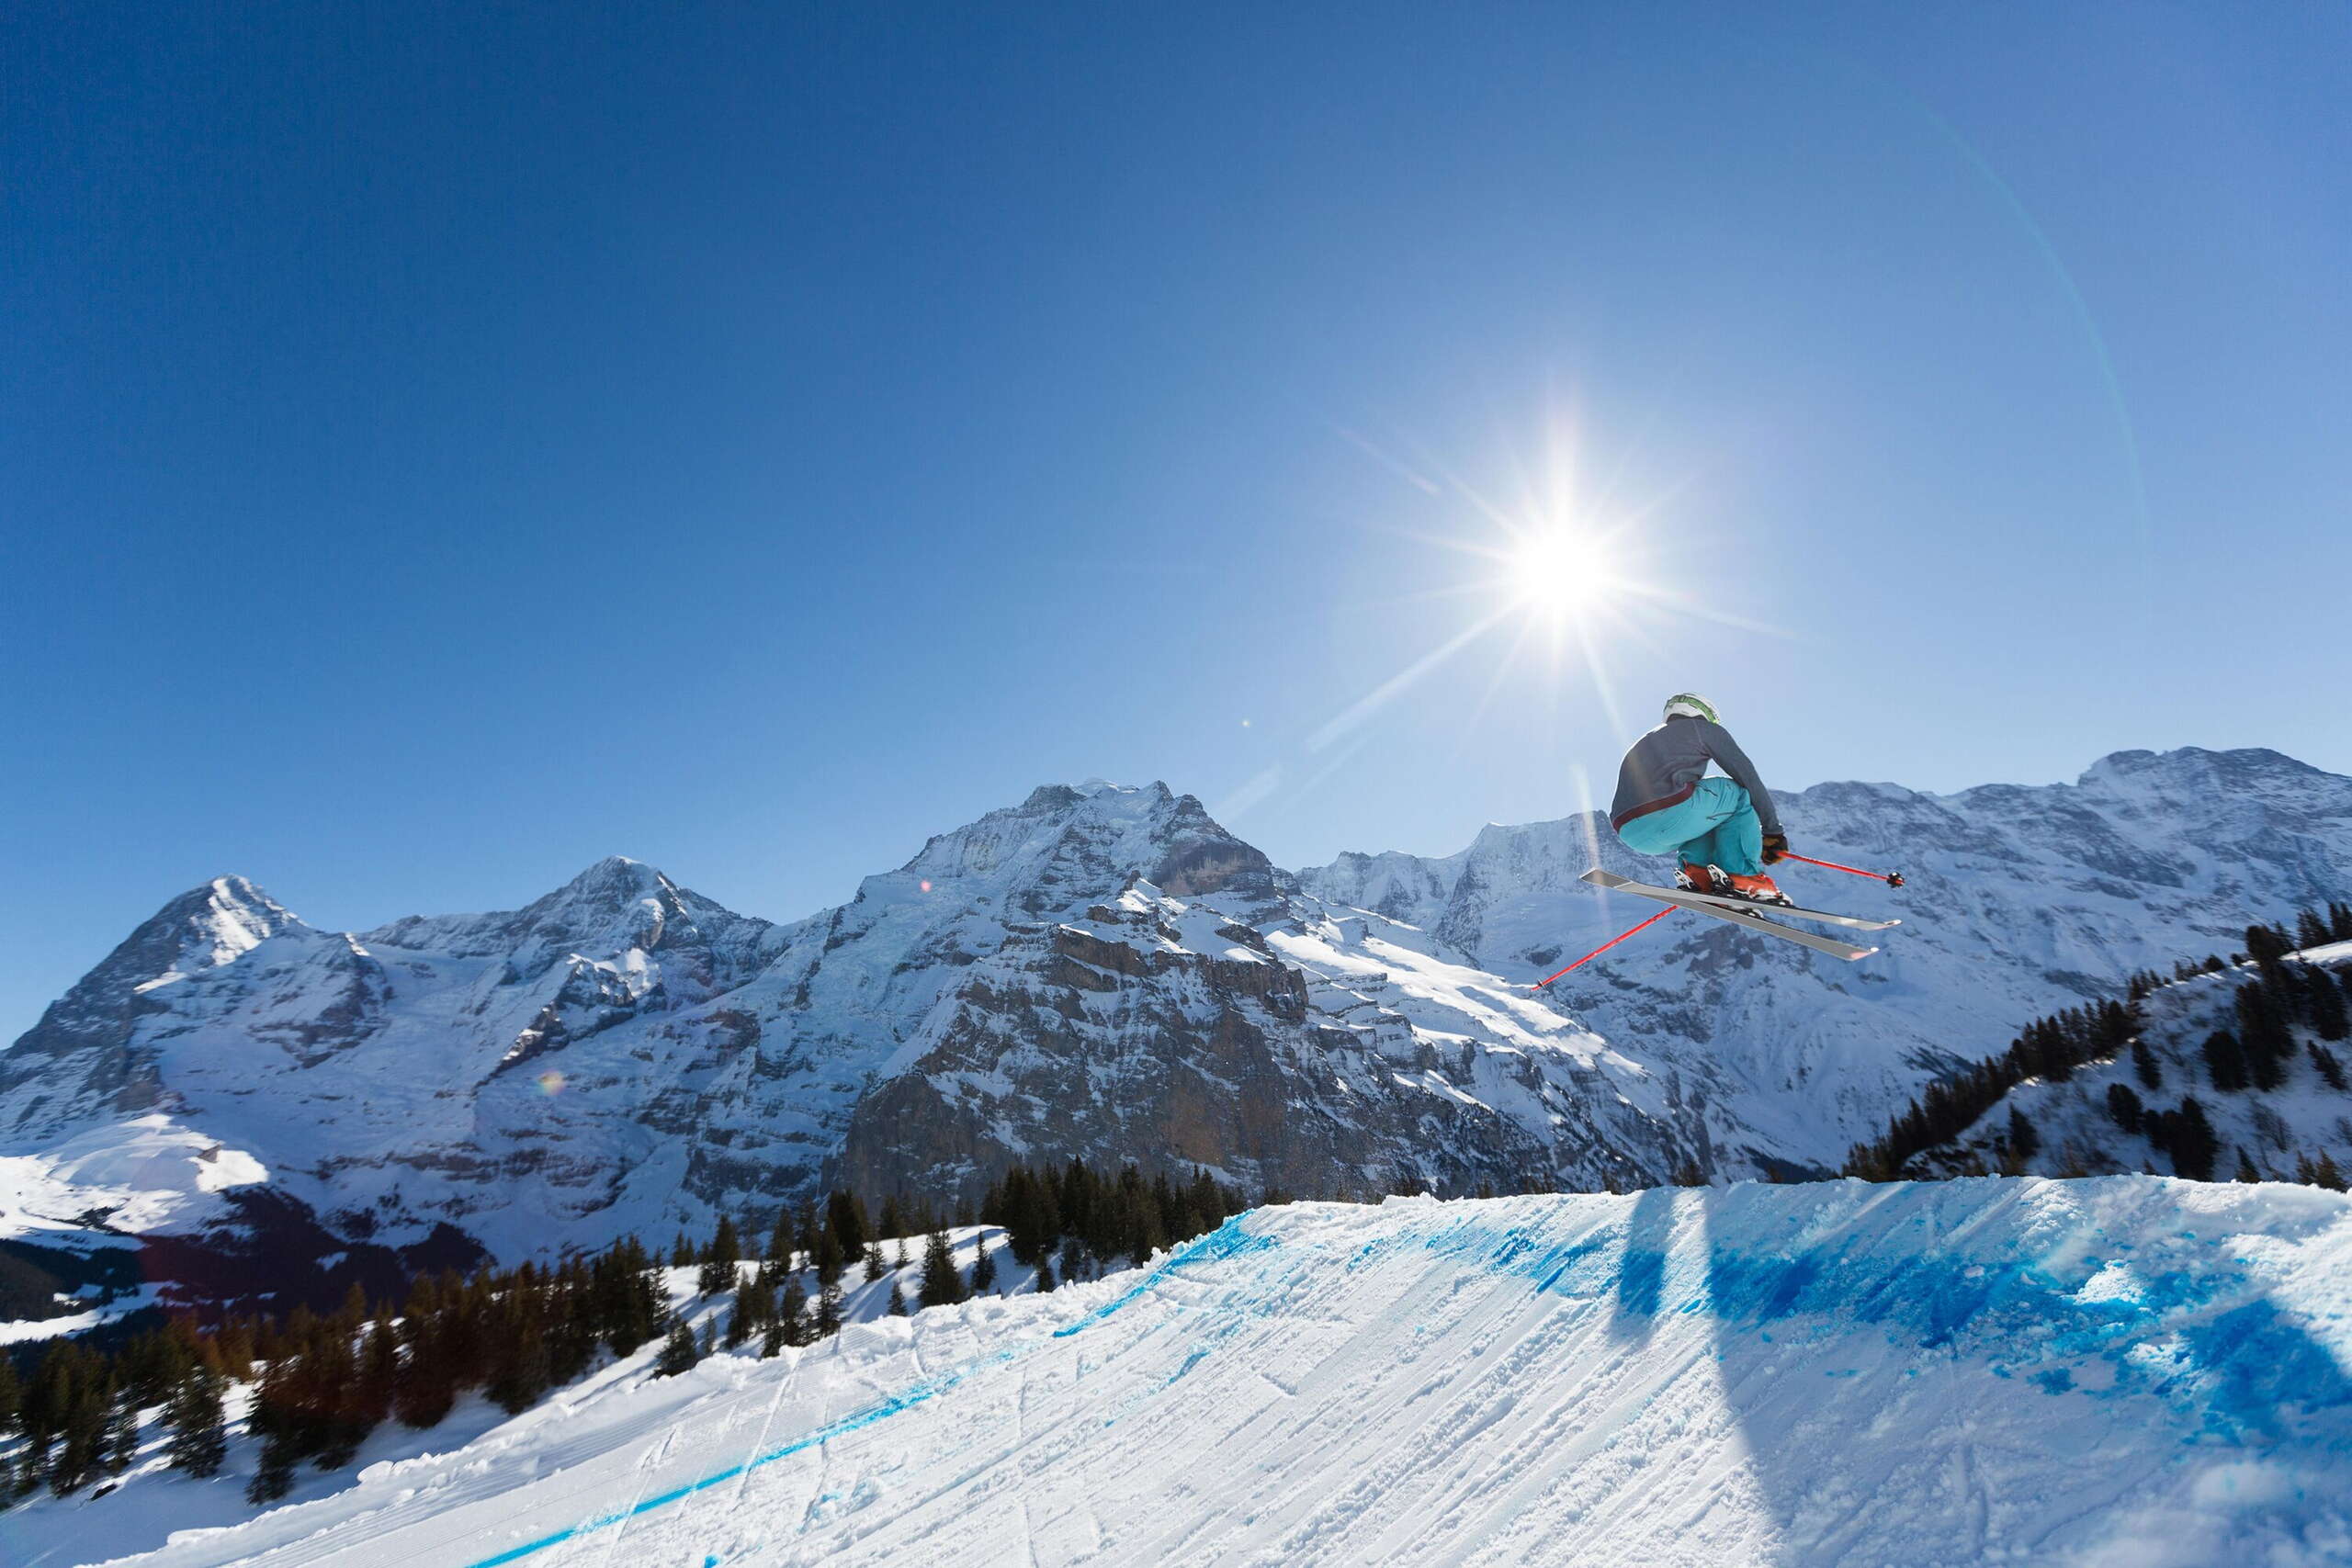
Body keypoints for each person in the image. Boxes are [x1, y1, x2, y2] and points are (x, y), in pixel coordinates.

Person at [1609, 693, 1792, 905]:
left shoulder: (1642, 742)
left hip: (1632, 834)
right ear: (1703, 714)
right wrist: (1773, 832)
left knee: (1706, 813)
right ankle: (1744, 878)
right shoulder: (1702, 728)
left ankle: (1699, 875)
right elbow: (1747, 778)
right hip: (1670, 813)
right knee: (1737, 793)